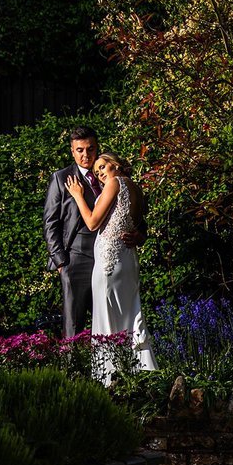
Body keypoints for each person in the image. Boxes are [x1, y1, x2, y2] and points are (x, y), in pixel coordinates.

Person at [43, 127, 144, 343]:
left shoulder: (108, 175)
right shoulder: (61, 178)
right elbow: (50, 223)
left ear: (97, 148)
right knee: (74, 325)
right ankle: (72, 365)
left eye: (90, 149)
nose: (85, 155)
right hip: (75, 260)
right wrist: (61, 262)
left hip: (109, 259)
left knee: (110, 322)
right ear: (72, 151)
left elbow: (133, 213)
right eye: (79, 150)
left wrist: (139, 235)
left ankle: (114, 361)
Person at [65, 152, 158, 383]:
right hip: (127, 260)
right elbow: (138, 227)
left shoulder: (115, 182)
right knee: (130, 315)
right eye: (97, 172)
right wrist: (140, 237)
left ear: (116, 165)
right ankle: (140, 375)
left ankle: (108, 380)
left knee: (107, 320)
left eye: (103, 167)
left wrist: (78, 195)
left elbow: (92, 222)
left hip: (109, 261)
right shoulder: (136, 188)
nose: (99, 173)